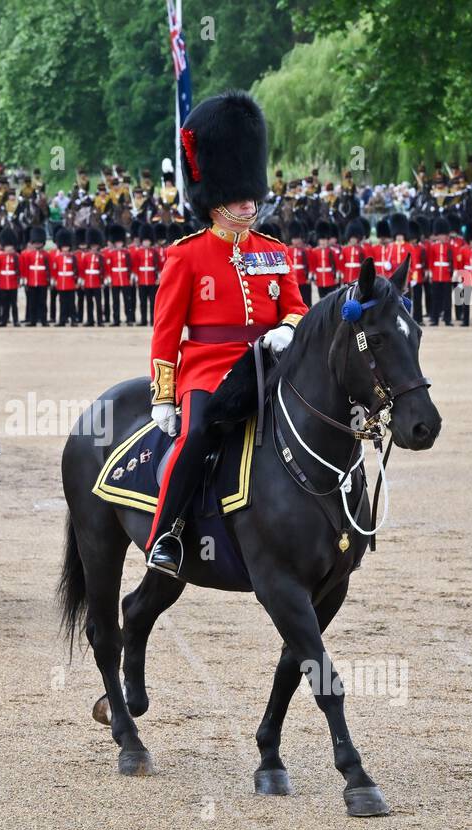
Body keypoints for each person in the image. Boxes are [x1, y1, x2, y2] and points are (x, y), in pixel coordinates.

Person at [145, 91, 307, 576]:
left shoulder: (274, 251)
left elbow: (298, 308)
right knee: (195, 437)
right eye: (239, 195)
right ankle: (166, 535)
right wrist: (164, 396)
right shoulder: (187, 255)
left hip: (271, 363)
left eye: (251, 193)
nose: (248, 202)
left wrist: (286, 329)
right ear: (215, 197)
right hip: (209, 368)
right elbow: (167, 331)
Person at [0, 227, 20, 326]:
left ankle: (16, 320)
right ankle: (4, 320)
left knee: (14, 303)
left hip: (13, 282)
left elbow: (19, 269)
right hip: (3, 282)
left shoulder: (16, 257)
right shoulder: (0, 257)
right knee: (4, 303)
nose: (9, 249)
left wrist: (20, 279)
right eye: (7, 247)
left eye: (10, 247)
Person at [20, 226, 50, 326]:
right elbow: (26, 267)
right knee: (32, 302)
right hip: (32, 281)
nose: (37, 244)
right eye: (36, 242)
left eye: (39, 242)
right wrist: (25, 279)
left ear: (42, 243)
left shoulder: (46, 255)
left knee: (42, 302)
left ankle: (43, 320)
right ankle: (32, 321)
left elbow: (48, 268)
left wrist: (49, 279)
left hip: (42, 281)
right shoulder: (29, 255)